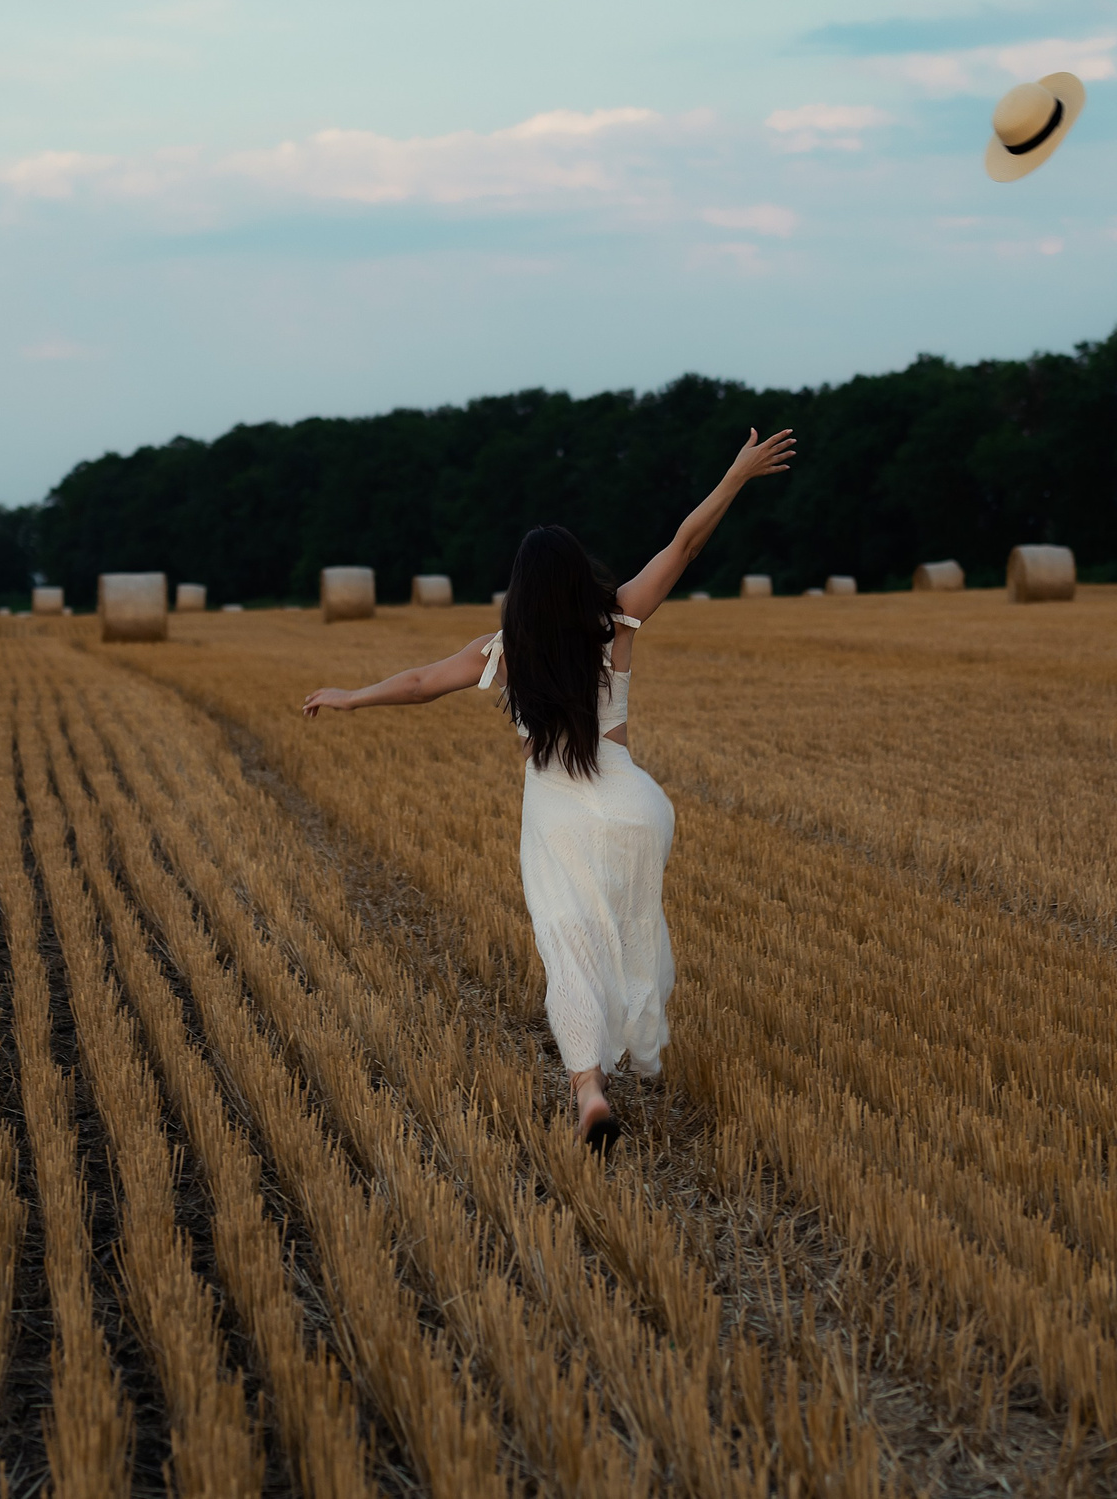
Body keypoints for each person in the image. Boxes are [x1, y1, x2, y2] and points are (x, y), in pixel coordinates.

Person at [302, 428, 798, 1150]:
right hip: (633, 807)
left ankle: (588, 1088)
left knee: (569, 946)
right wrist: (735, 476)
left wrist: (350, 696)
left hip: (559, 815)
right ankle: (616, 1047)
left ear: (523, 588)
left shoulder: (504, 650)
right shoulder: (616, 618)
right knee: (625, 932)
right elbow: (686, 544)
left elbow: (419, 684)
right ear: (578, 575)